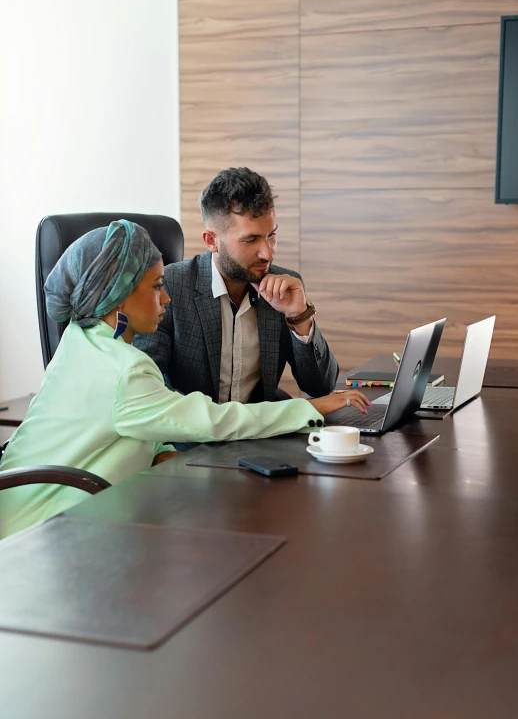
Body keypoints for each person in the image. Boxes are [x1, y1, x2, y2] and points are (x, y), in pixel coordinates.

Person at [0, 220, 369, 538]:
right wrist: (309, 408)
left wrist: (163, 452)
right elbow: (215, 419)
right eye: (157, 287)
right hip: (43, 531)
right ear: (120, 298)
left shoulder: (80, 339)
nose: (167, 299)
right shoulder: (126, 370)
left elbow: (122, 420)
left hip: (24, 508)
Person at [134, 167, 339, 412]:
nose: (268, 253)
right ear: (212, 241)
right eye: (251, 240)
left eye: (271, 235)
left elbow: (321, 387)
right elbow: (145, 393)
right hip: (193, 441)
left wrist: (299, 317)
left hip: (260, 440)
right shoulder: (170, 288)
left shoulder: (284, 286)